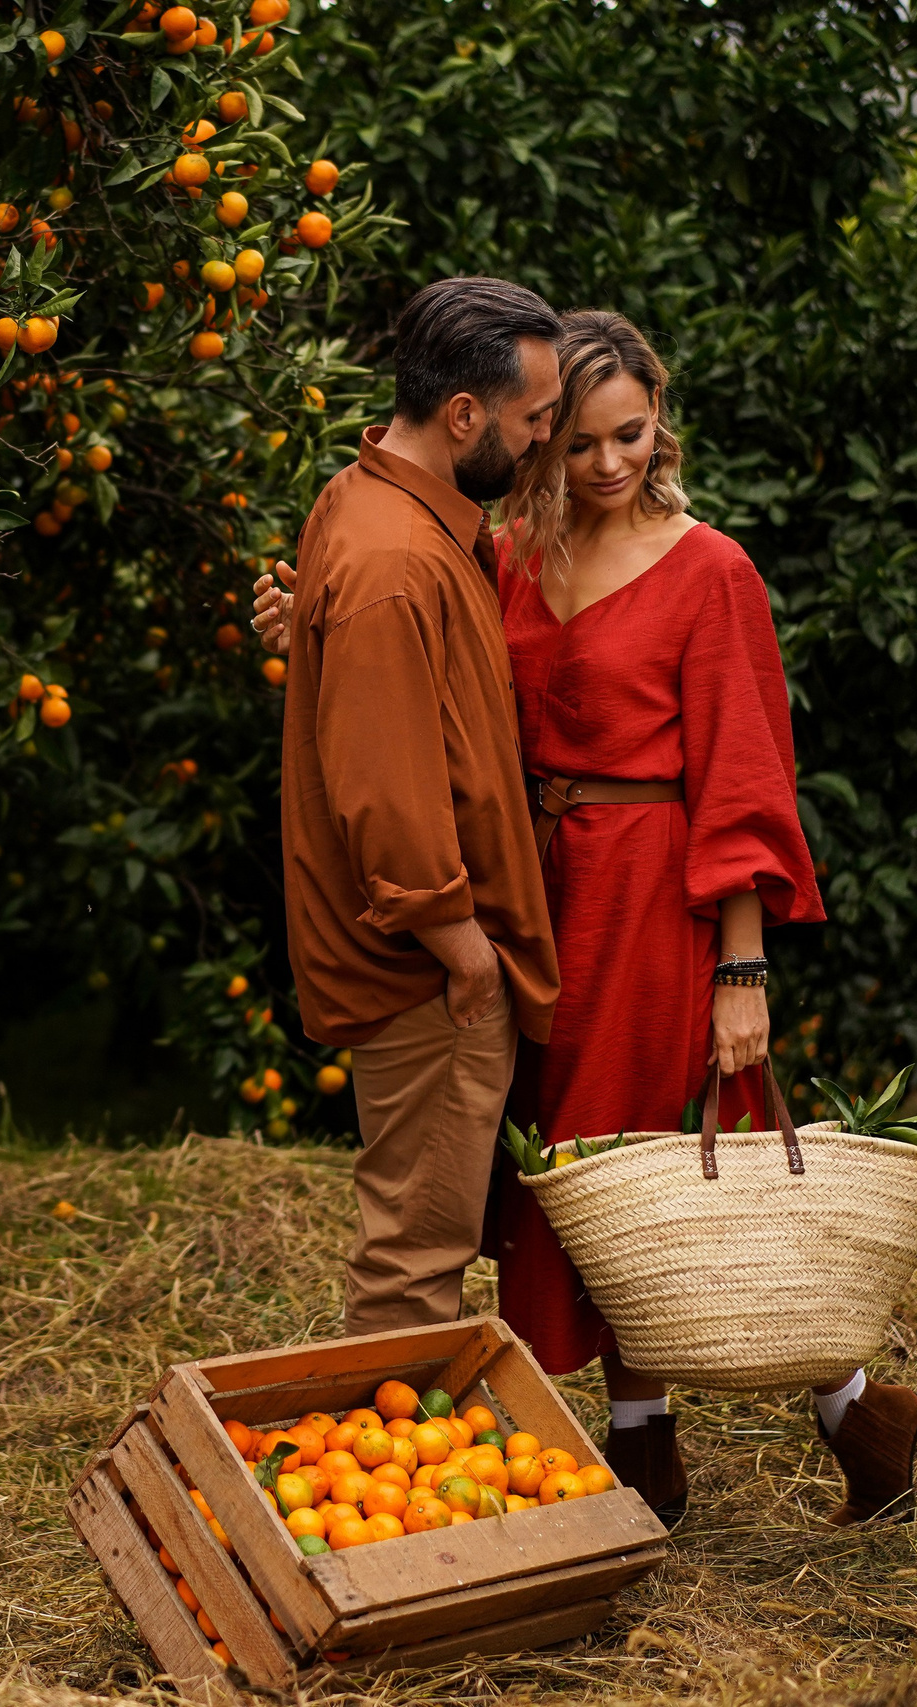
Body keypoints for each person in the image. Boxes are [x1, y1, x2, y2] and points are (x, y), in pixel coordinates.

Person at [255, 308, 917, 1528]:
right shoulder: (504, 559)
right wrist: (304, 635)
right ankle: (689, 1430)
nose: (608, 463)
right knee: (569, 1171)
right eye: (575, 442)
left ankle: (815, 1409)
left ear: (658, 422)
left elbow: (740, 781)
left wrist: (743, 971)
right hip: (535, 885)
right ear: (535, 446)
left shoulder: (710, 569)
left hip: (651, 894)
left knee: (653, 1162)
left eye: (629, 434)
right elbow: (428, 692)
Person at [276, 276, 564, 1342]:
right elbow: (385, 798)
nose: (541, 440)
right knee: (414, 1256)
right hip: (425, 974)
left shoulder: (373, 505)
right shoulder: (396, 557)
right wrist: (468, 958)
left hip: (430, 962)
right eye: (533, 420)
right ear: (463, 417)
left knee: (423, 1234)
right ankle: (393, 1499)